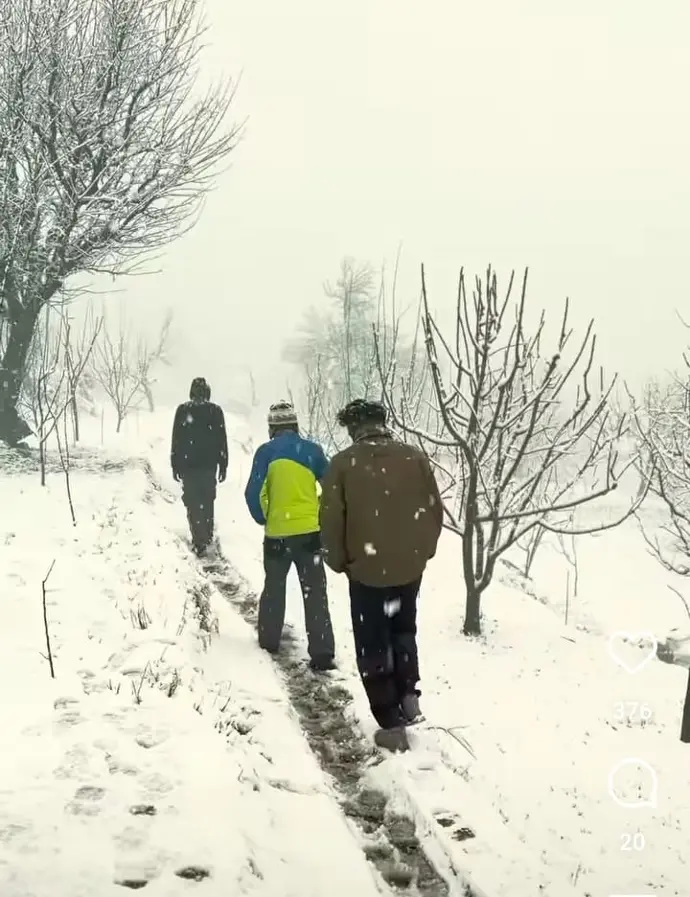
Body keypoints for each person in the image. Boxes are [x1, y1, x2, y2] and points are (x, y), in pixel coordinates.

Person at [319, 399, 443, 752]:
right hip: (409, 568)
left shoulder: (343, 464)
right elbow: (435, 511)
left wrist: (341, 562)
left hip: (367, 570)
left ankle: (389, 718)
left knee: (372, 641)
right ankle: (408, 693)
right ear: (382, 422)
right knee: (404, 629)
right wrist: (422, 552)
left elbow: (330, 522)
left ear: (353, 428)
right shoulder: (414, 458)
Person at [244, 400, 336, 671]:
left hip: (277, 536)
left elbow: (252, 494)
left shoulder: (265, 452)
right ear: (295, 424)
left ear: (272, 427)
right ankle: (322, 653)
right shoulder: (312, 451)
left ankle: (269, 641)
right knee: (315, 593)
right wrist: (319, 516)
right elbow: (332, 488)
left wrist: (266, 518)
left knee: (274, 587)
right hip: (309, 535)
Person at [170, 377, 228, 557]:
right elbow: (222, 440)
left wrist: (175, 463)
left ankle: (199, 539)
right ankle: (207, 536)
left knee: (193, 502)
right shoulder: (215, 411)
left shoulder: (183, 410)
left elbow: (176, 439)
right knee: (207, 500)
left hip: (189, 466)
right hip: (209, 466)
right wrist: (223, 464)